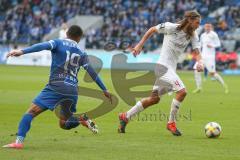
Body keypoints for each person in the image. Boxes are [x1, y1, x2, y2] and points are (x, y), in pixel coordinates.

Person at [3, 25, 112, 149]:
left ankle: (18, 142)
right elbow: (92, 73)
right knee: (64, 123)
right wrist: (105, 89)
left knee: (31, 112)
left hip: (56, 86)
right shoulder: (82, 53)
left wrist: (22, 51)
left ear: (67, 34)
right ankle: (81, 119)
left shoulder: (58, 42)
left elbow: (42, 46)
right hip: (72, 90)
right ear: (79, 38)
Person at [118, 11, 204, 136]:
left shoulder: (193, 35)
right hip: (162, 67)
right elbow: (152, 29)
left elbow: (197, 51)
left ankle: (125, 116)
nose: (198, 26)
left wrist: (200, 62)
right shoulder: (171, 27)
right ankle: (171, 123)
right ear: (190, 20)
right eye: (197, 23)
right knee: (182, 91)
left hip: (171, 70)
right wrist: (140, 45)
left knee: (154, 99)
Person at [193, 23, 228, 93]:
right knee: (196, 70)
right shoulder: (203, 35)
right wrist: (198, 52)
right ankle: (199, 87)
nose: (207, 28)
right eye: (206, 26)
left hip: (210, 57)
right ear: (204, 27)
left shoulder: (214, 34)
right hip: (202, 56)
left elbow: (218, 44)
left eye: (209, 27)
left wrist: (212, 45)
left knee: (212, 73)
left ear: (211, 27)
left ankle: (224, 86)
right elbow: (200, 45)